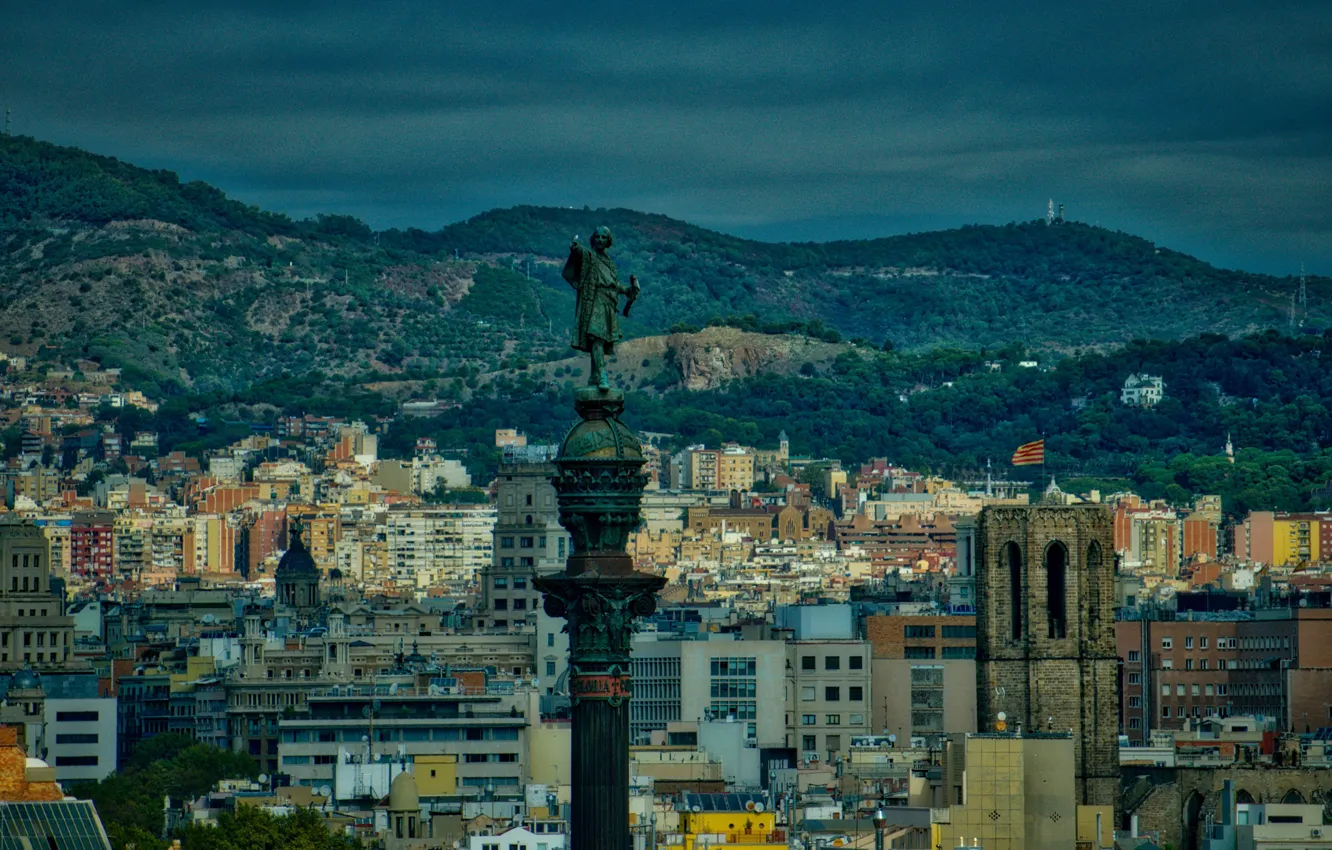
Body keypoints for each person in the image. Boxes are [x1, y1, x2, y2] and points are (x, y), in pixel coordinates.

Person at [562, 225, 638, 390]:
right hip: (595, 301)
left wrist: (627, 290)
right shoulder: (590, 256)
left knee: (601, 341)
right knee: (597, 337)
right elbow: (580, 252)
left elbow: (612, 284)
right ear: (593, 239)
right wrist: (575, 247)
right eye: (597, 237)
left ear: (608, 241)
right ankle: (602, 375)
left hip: (609, 303)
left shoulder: (609, 263)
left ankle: (594, 376)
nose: (600, 240)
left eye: (604, 237)